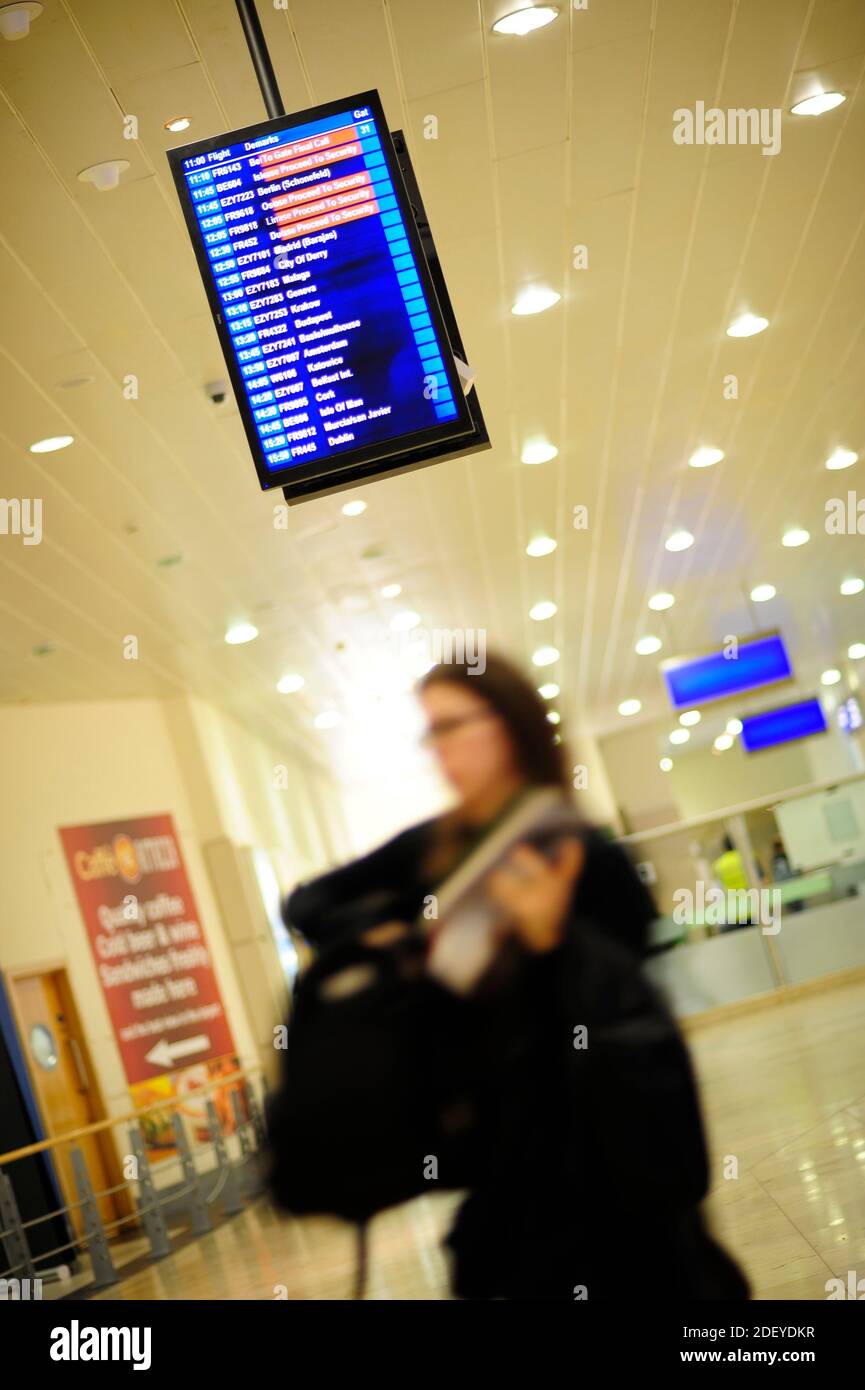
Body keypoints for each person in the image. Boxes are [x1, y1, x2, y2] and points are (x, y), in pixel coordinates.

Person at [284, 654, 748, 1300]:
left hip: (608, 1175)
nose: (438, 749)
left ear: (509, 724)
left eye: (451, 726)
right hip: (505, 1178)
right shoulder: (433, 853)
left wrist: (553, 942)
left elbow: (625, 1015)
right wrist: (388, 934)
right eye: (430, 732)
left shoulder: (582, 855)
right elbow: (306, 902)